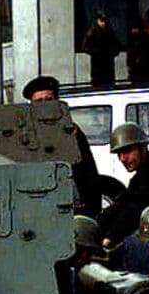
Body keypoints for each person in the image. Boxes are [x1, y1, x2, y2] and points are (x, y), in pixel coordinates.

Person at [21, 74, 102, 217]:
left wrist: (90, 210)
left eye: (48, 100)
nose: (44, 106)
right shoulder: (24, 136)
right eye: (39, 102)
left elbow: (88, 172)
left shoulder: (72, 132)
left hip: (67, 203)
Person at [81, 11, 121, 87]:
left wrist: (113, 53)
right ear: (97, 21)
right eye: (101, 21)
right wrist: (96, 52)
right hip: (98, 65)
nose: (103, 23)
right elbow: (85, 47)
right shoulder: (92, 32)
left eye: (105, 21)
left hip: (108, 64)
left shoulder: (109, 32)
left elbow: (117, 45)